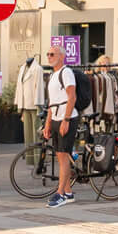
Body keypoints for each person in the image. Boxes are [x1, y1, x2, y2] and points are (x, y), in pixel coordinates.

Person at [42, 44, 78, 208]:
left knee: (63, 156)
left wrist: (66, 120)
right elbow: (52, 102)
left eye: (52, 54)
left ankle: (60, 193)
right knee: (60, 155)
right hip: (56, 118)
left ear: (61, 56)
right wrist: (48, 123)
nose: (49, 56)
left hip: (66, 118)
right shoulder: (52, 76)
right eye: (48, 54)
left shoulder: (67, 73)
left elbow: (72, 97)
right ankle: (68, 192)